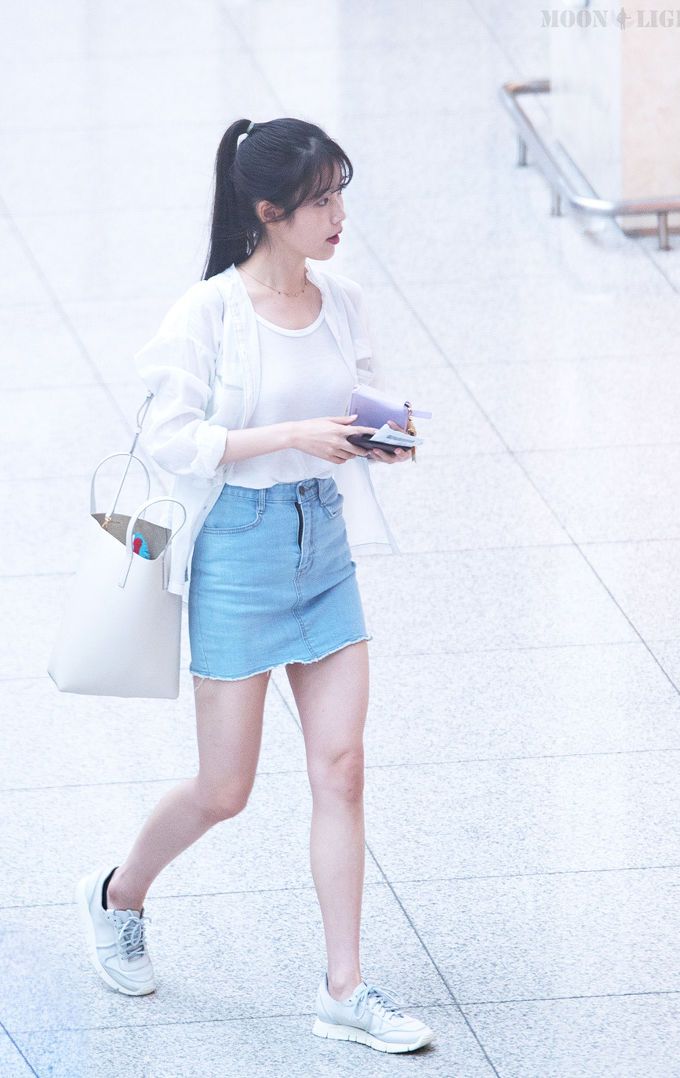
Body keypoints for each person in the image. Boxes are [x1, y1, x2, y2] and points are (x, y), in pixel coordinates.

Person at [75, 116, 435, 1055]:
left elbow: (352, 394)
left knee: (341, 769)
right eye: (322, 200)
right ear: (269, 211)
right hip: (237, 552)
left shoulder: (343, 299)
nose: (339, 215)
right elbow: (170, 437)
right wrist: (288, 436)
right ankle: (118, 894)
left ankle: (344, 989)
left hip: (323, 546)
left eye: (342, 193)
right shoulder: (208, 313)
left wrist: (380, 434)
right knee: (225, 787)